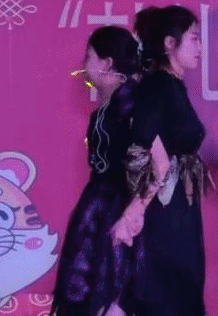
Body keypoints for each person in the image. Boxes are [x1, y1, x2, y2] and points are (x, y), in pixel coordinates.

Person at [111, 5, 207, 316]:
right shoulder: (157, 86)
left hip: (178, 209)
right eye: (193, 38)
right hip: (164, 214)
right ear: (169, 43)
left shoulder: (172, 85)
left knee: (178, 294)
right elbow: (150, 153)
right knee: (165, 296)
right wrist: (134, 213)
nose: (200, 48)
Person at [53, 26, 142, 316]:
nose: (83, 64)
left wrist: (132, 210)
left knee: (111, 285)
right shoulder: (111, 105)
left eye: (88, 56)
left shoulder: (131, 103)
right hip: (100, 204)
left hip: (118, 206)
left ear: (107, 63)